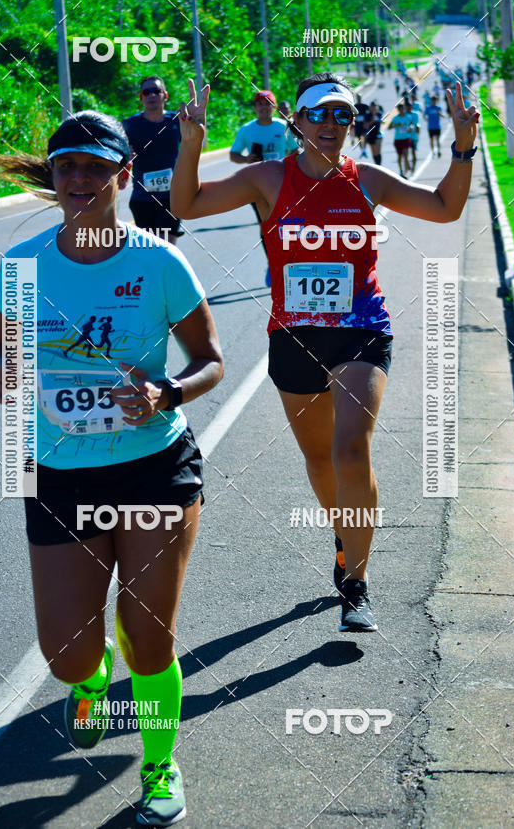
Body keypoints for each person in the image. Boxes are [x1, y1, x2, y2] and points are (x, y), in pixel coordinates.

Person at [0, 110, 224, 826]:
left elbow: (210, 360)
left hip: (154, 467)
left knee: (148, 637)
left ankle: (158, 765)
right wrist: (2, 370)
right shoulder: (23, 265)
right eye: (67, 166)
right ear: (54, 177)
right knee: (67, 654)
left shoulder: (159, 262)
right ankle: (89, 682)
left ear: (125, 175)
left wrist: (165, 392)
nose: (80, 178)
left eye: (96, 167)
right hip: (59, 474)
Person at [171, 73, 478, 633]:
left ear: (352, 123)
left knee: (351, 450)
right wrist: (191, 143)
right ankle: (344, 536)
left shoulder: (368, 180)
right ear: (297, 121)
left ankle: (356, 585)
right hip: (294, 336)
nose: (331, 124)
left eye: (342, 114)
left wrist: (463, 146)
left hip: (361, 330)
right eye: (318, 113)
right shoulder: (268, 178)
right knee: (319, 460)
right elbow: (186, 205)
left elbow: (444, 208)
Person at [230, 90, 298, 287]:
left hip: (282, 184)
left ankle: (288, 262)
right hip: (257, 186)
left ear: (274, 107)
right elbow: (234, 154)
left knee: (286, 225)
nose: (264, 107)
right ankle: (273, 263)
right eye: (260, 104)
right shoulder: (247, 129)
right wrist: (246, 159)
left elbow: (295, 150)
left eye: (268, 103)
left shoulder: (283, 126)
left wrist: (289, 162)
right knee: (266, 225)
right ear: (255, 108)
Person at [122, 76, 184, 245]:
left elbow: (193, 145)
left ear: (165, 95)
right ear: (141, 97)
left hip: (172, 197)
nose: (151, 95)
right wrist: (125, 156)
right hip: (142, 198)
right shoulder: (129, 125)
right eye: (146, 92)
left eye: (156, 91)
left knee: (167, 246)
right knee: (148, 248)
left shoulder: (177, 121)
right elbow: (118, 156)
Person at [388, 102, 412, 177]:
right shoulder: (395, 118)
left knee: (405, 155)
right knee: (400, 156)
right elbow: (389, 127)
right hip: (398, 139)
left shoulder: (408, 117)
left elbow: (411, 124)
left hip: (406, 138)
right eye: (400, 109)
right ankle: (401, 170)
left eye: (403, 109)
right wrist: (397, 125)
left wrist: (411, 128)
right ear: (398, 110)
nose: (402, 110)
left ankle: (406, 172)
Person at [405, 100, 420, 173]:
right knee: (405, 153)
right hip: (405, 137)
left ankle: (413, 168)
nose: (408, 108)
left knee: (413, 152)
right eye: (407, 107)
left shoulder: (415, 114)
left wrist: (417, 128)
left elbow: (417, 124)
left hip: (413, 136)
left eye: (410, 107)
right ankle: (407, 167)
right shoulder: (404, 115)